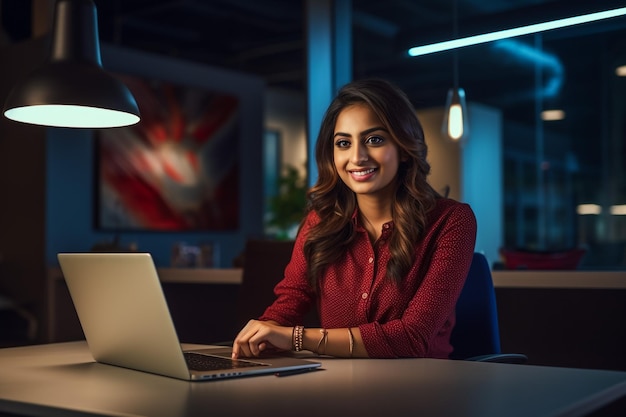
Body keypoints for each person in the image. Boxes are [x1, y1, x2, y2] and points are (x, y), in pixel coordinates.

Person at [232, 78, 477, 359]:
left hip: (420, 388)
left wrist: (296, 338)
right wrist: (264, 332)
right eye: (343, 143)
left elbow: (412, 338)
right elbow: (291, 302)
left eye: (374, 139)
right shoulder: (319, 222)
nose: (357, 157)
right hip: (338, 386)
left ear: (404, 148)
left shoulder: (452, 221)